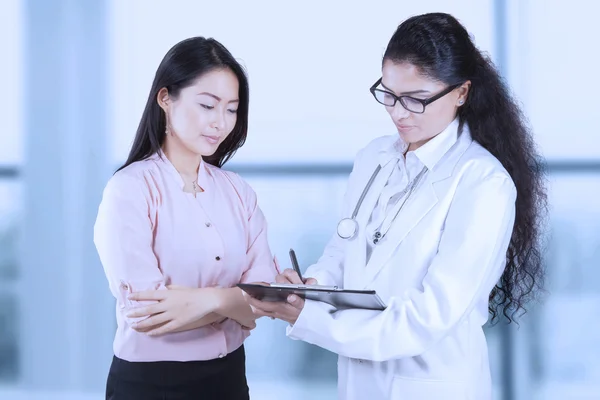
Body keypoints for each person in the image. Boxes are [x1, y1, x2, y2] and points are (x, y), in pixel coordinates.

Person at [246, 12, 547, 400]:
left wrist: (313, 321)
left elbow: (427, 318)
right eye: (388, 94)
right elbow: (344, 249)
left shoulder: (483, 184)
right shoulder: (373, 157)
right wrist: (311, 287)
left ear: (461, 92)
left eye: (416, 99)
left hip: (430, 388)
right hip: (358, 385)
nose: (398, 112)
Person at [93, 36, 277, 400]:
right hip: (150, 384)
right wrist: (236, 304)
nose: (220, 123)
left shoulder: (237, 191)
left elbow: (266, 295)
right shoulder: (130, 188)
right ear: (165, 99)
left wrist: (204, 301)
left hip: (228, 379)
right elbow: (147, 313)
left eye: (231, 109)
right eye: (207, 105)